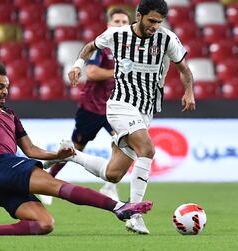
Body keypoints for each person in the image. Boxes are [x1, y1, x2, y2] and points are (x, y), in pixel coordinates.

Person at [0, 18, 153, 237]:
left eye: (6, 86)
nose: (4, 91)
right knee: (58, 187)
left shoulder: (10, 115)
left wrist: (56, 156)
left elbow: (31, 150)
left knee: (44, 224)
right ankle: (119, 207)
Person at [66, 0, 196, 234]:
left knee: (113, 174)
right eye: (151, 20)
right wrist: (77, 66)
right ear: (139, 16)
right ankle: (134, 214)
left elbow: (184, 70)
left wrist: (189, 91)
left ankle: (70, 153)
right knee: (147, 149)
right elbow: (89, 47)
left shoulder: (167, 39)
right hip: (120, 104)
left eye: (159, 22)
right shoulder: (116, 35)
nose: (155, 26)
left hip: (145, 110)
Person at [42, 8, 131, 205]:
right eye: (117, 21)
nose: (121, 25)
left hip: (114, 109)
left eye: (125, 22)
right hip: (91, 108)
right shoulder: (101, 48)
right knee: (74, 148)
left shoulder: (130, 52)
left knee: (126, 144)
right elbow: (91, 73)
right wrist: (118, 71)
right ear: (109, 25)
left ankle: (110, 187)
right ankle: (48, 181)